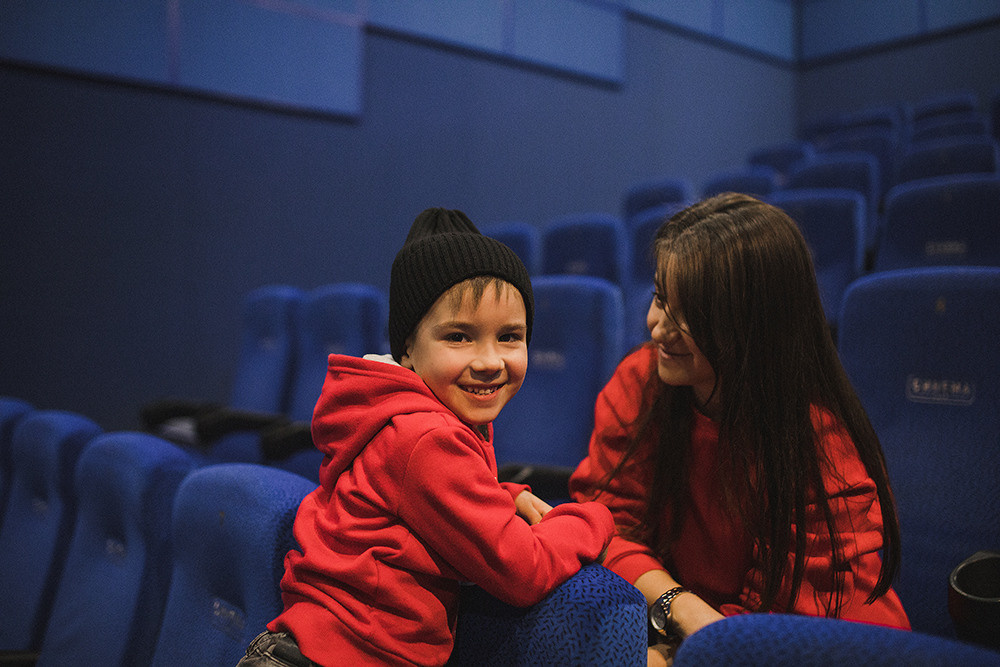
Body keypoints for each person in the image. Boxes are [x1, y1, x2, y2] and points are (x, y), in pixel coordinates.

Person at [238, 208, 614, 667]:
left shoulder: (393, 413)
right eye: (459, 337)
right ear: (409, 350)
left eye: (510, 336)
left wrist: (499, 496)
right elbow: (524, 570)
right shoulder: (429, 438)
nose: (490, 360)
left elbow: (412, 502)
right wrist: (592, 519)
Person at [568, 193, 910, 665]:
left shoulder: (821, 443)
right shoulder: (641, 381)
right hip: (694, 629)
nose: (657, 328)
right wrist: (676, 604)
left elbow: (780, 625)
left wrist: (673, 647)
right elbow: (607, 524)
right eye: (659, 298)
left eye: (686, 313)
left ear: (751, 324)